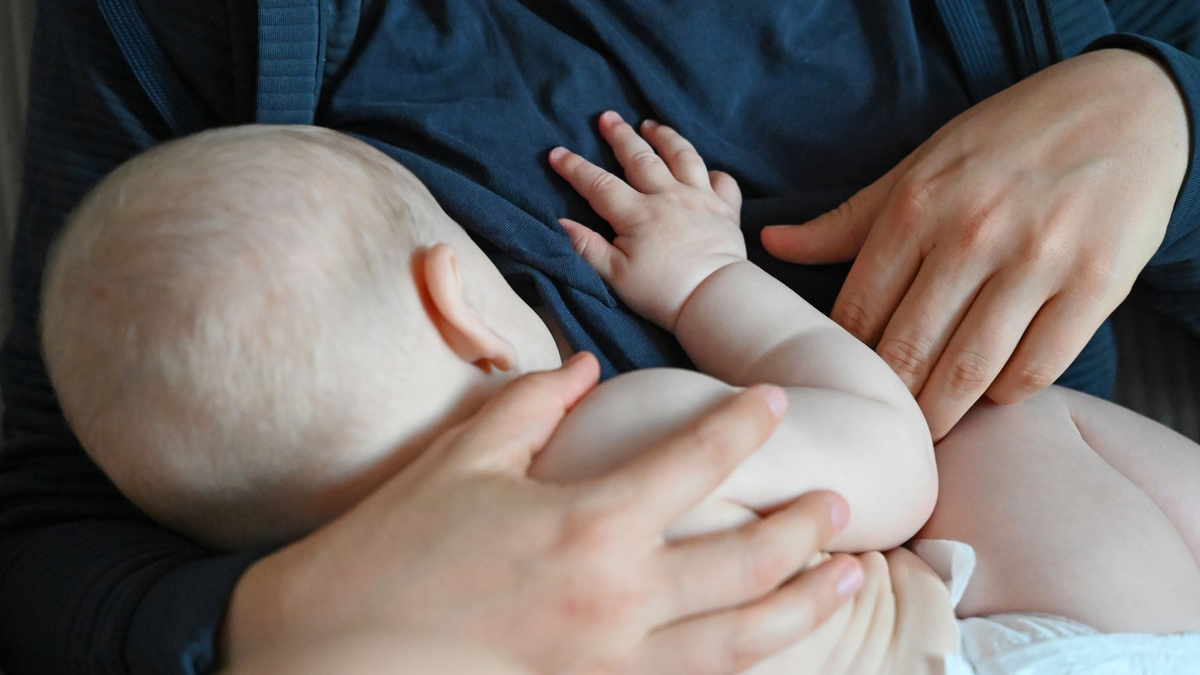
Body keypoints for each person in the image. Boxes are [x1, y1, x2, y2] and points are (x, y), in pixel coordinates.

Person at [6, 1, 1200, 673]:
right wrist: (703, 288)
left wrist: (1169, 108)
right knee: (1013, 430)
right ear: (463, 307)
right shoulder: (623, 434)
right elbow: (894, 460)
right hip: (1020, 644)